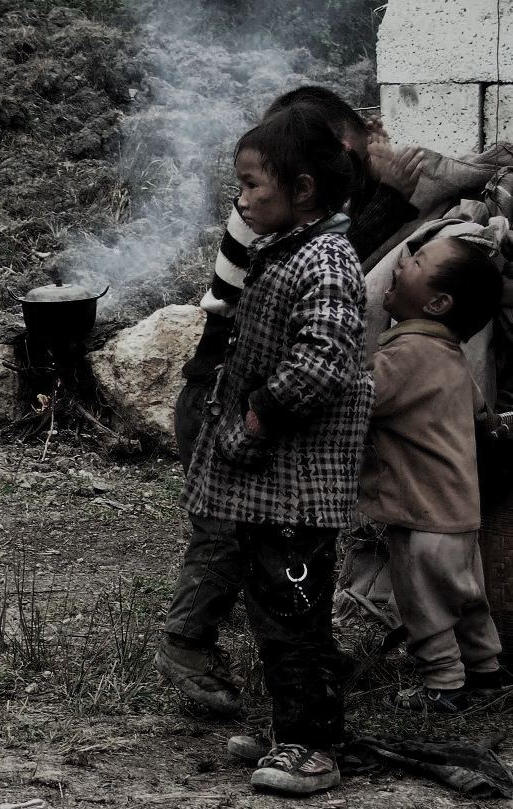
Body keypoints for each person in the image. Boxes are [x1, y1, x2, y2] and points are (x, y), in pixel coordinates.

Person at [155, 85, 424, 716]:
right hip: (227, 399)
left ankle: (309, 664)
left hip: (250, 403)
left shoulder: (298, 228)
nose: (355, 168)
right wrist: (391, 198)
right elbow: (333, 288)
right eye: (352, 157)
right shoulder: (272, 229)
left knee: (283, 549)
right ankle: (189, 646)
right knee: (227, 536)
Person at [179, 106, 374, 794]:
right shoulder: (287, 248)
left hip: (296, 484)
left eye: (252, 184)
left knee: (293, 614)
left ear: (303, 188)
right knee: (274, 609)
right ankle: (292, 731)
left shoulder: (326, 260)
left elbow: (322, 362)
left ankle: (313, 746)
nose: (242, 199)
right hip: (273, 487)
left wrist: (259, 416)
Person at [359, 235, 505, 712]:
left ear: (438, 302)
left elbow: (360, 399)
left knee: (425, 606)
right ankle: (486, 672)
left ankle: (443, 685)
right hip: (461, 513)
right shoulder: (451, 358)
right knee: (466, 598)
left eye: (416, 261)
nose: (401, 262)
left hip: (421, 516)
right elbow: (482, 413)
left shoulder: (406, 356)